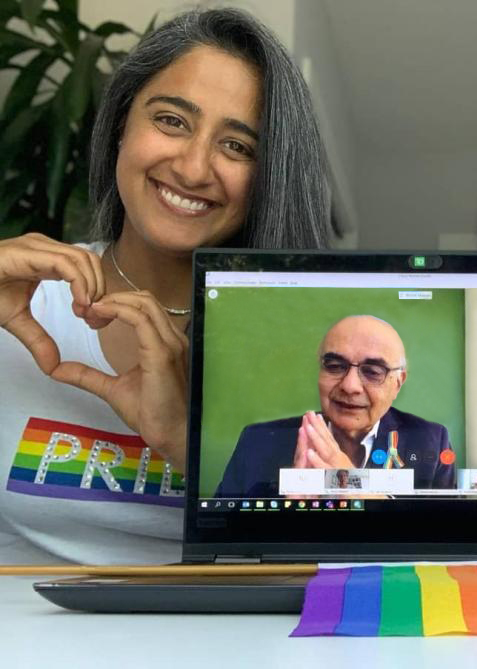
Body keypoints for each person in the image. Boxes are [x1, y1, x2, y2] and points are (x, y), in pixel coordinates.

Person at [0, 8, 329, 565]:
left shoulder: (315, 348)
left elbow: (323, 568)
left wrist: (184, 442)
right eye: (172, 121)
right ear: (122, 122)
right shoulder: (21, 299)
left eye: (238, 147)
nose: (194, 168)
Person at [217, 315, 456, 496]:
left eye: (372, 372)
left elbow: (441, 538)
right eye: (334, 366)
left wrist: (351, 482)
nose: (350, 386)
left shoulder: (431, 440)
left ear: (398, 383)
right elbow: (223, 535)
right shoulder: (258, 442)